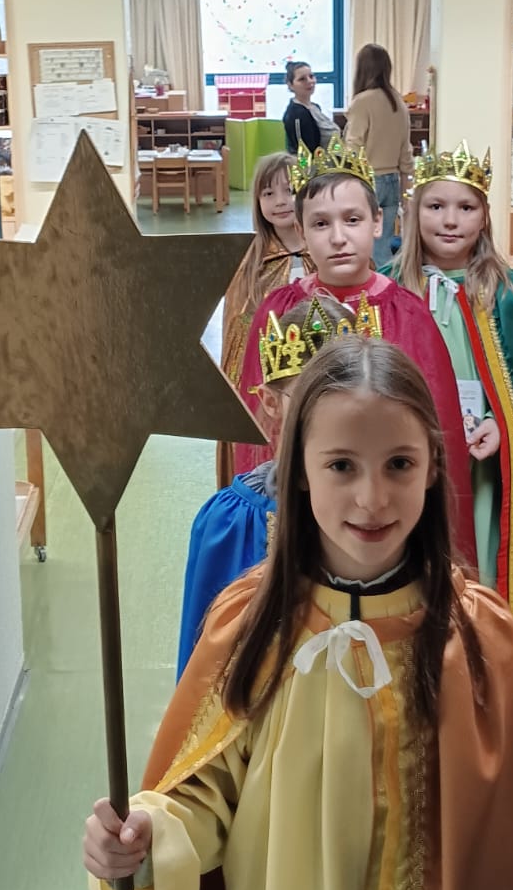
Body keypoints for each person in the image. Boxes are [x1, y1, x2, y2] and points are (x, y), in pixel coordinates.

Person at [85, 337, 513, 890]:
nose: (372, 498)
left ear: (432, 465)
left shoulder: (480, 643)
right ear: (298, 472)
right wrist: (145, 837)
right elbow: (202, 795)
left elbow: (511, 873)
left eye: (399, 464)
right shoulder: (252, 627)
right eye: (342, 465)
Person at [237, 137, 476, 563]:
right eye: (320, 224)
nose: (338, 238)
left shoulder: (410, 315)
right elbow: (257, 429)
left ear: (377, 221)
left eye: (352, 219)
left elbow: (439, 432)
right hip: (300, 505)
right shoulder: (277, 311)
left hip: (386, 511)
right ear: (300, 229)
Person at [394, 142, 513, 680]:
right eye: (435, 206)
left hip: (480, 467)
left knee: (478, 555)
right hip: (410, 459)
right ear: (414, 212)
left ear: (485, 216)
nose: (450, 220)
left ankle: (479, 665)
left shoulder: (510, 294)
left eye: (465, 207)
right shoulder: (392, 289)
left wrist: (501, 425)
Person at [179, 293, 376, 677]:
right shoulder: (232, 523)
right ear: (271, 403)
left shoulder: (381, 506)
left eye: (349, 395)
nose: (335, 416)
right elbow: (201, 672)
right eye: (312, 398)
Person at [217, 152, 311, 487]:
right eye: (268, 193)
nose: (280, 201)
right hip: (267, 389)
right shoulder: (252, 264)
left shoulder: (325, 254)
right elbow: (237, 333)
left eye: (290, 190)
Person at [344, 43, 412, 266]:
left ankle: (366, 285)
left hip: (367, 180)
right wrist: (406, 188)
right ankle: (386, 282)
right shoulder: (398, 102)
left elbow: (353, 146)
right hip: (392, 180)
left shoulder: (362, 102)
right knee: (382, 244)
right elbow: (406, 150)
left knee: (360, 243)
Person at [281, 60, 336, 155]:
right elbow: (303, 151)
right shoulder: (296, 114)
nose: (310, 81)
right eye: (302, 79)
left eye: (311, 76)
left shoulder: (315, 107)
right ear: (291, 85)